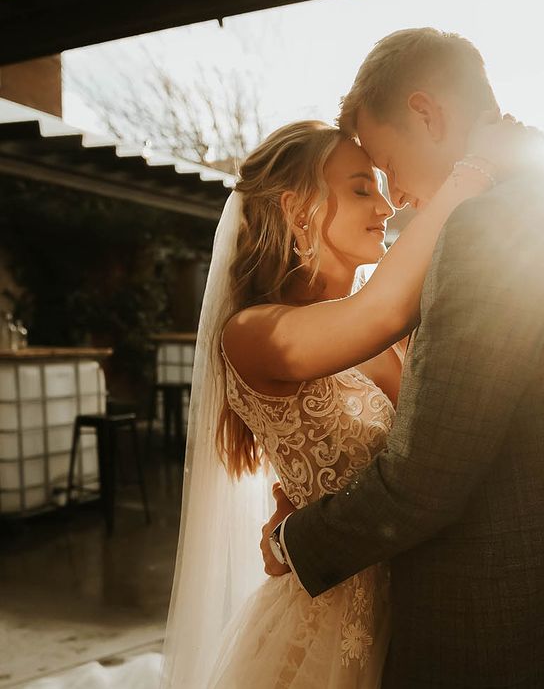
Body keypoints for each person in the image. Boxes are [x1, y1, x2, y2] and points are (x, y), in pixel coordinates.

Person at [261, 28, 544, 688]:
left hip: (485, 630)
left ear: (427, 114)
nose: (396, 195)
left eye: (386, 162)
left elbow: (426, 477)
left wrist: (294, 539)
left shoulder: (486, 227)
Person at [160, 113, 513, 689]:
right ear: (299, 211)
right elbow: (378, 309)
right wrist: (472, 171)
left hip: (420, 614)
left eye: (379, 187)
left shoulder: (387, 332)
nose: (385, 208)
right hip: (327, 627)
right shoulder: (253, 333)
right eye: (360, 189)